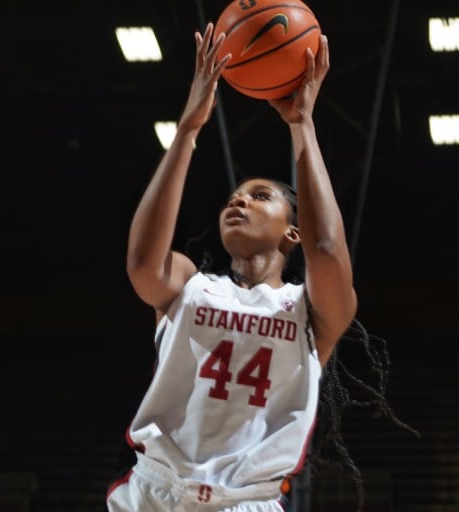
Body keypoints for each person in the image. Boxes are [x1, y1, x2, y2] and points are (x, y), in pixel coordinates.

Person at [106, 21, 358, 511]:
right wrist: (189, 127)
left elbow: (326, 247)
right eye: (233, 198)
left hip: (248, 502)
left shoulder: (310, 310)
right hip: (157, 491)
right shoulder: (188, 284)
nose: (238, 203)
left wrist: (301, 125)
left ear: (292, 233)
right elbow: (141, 261)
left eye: (259, 196)